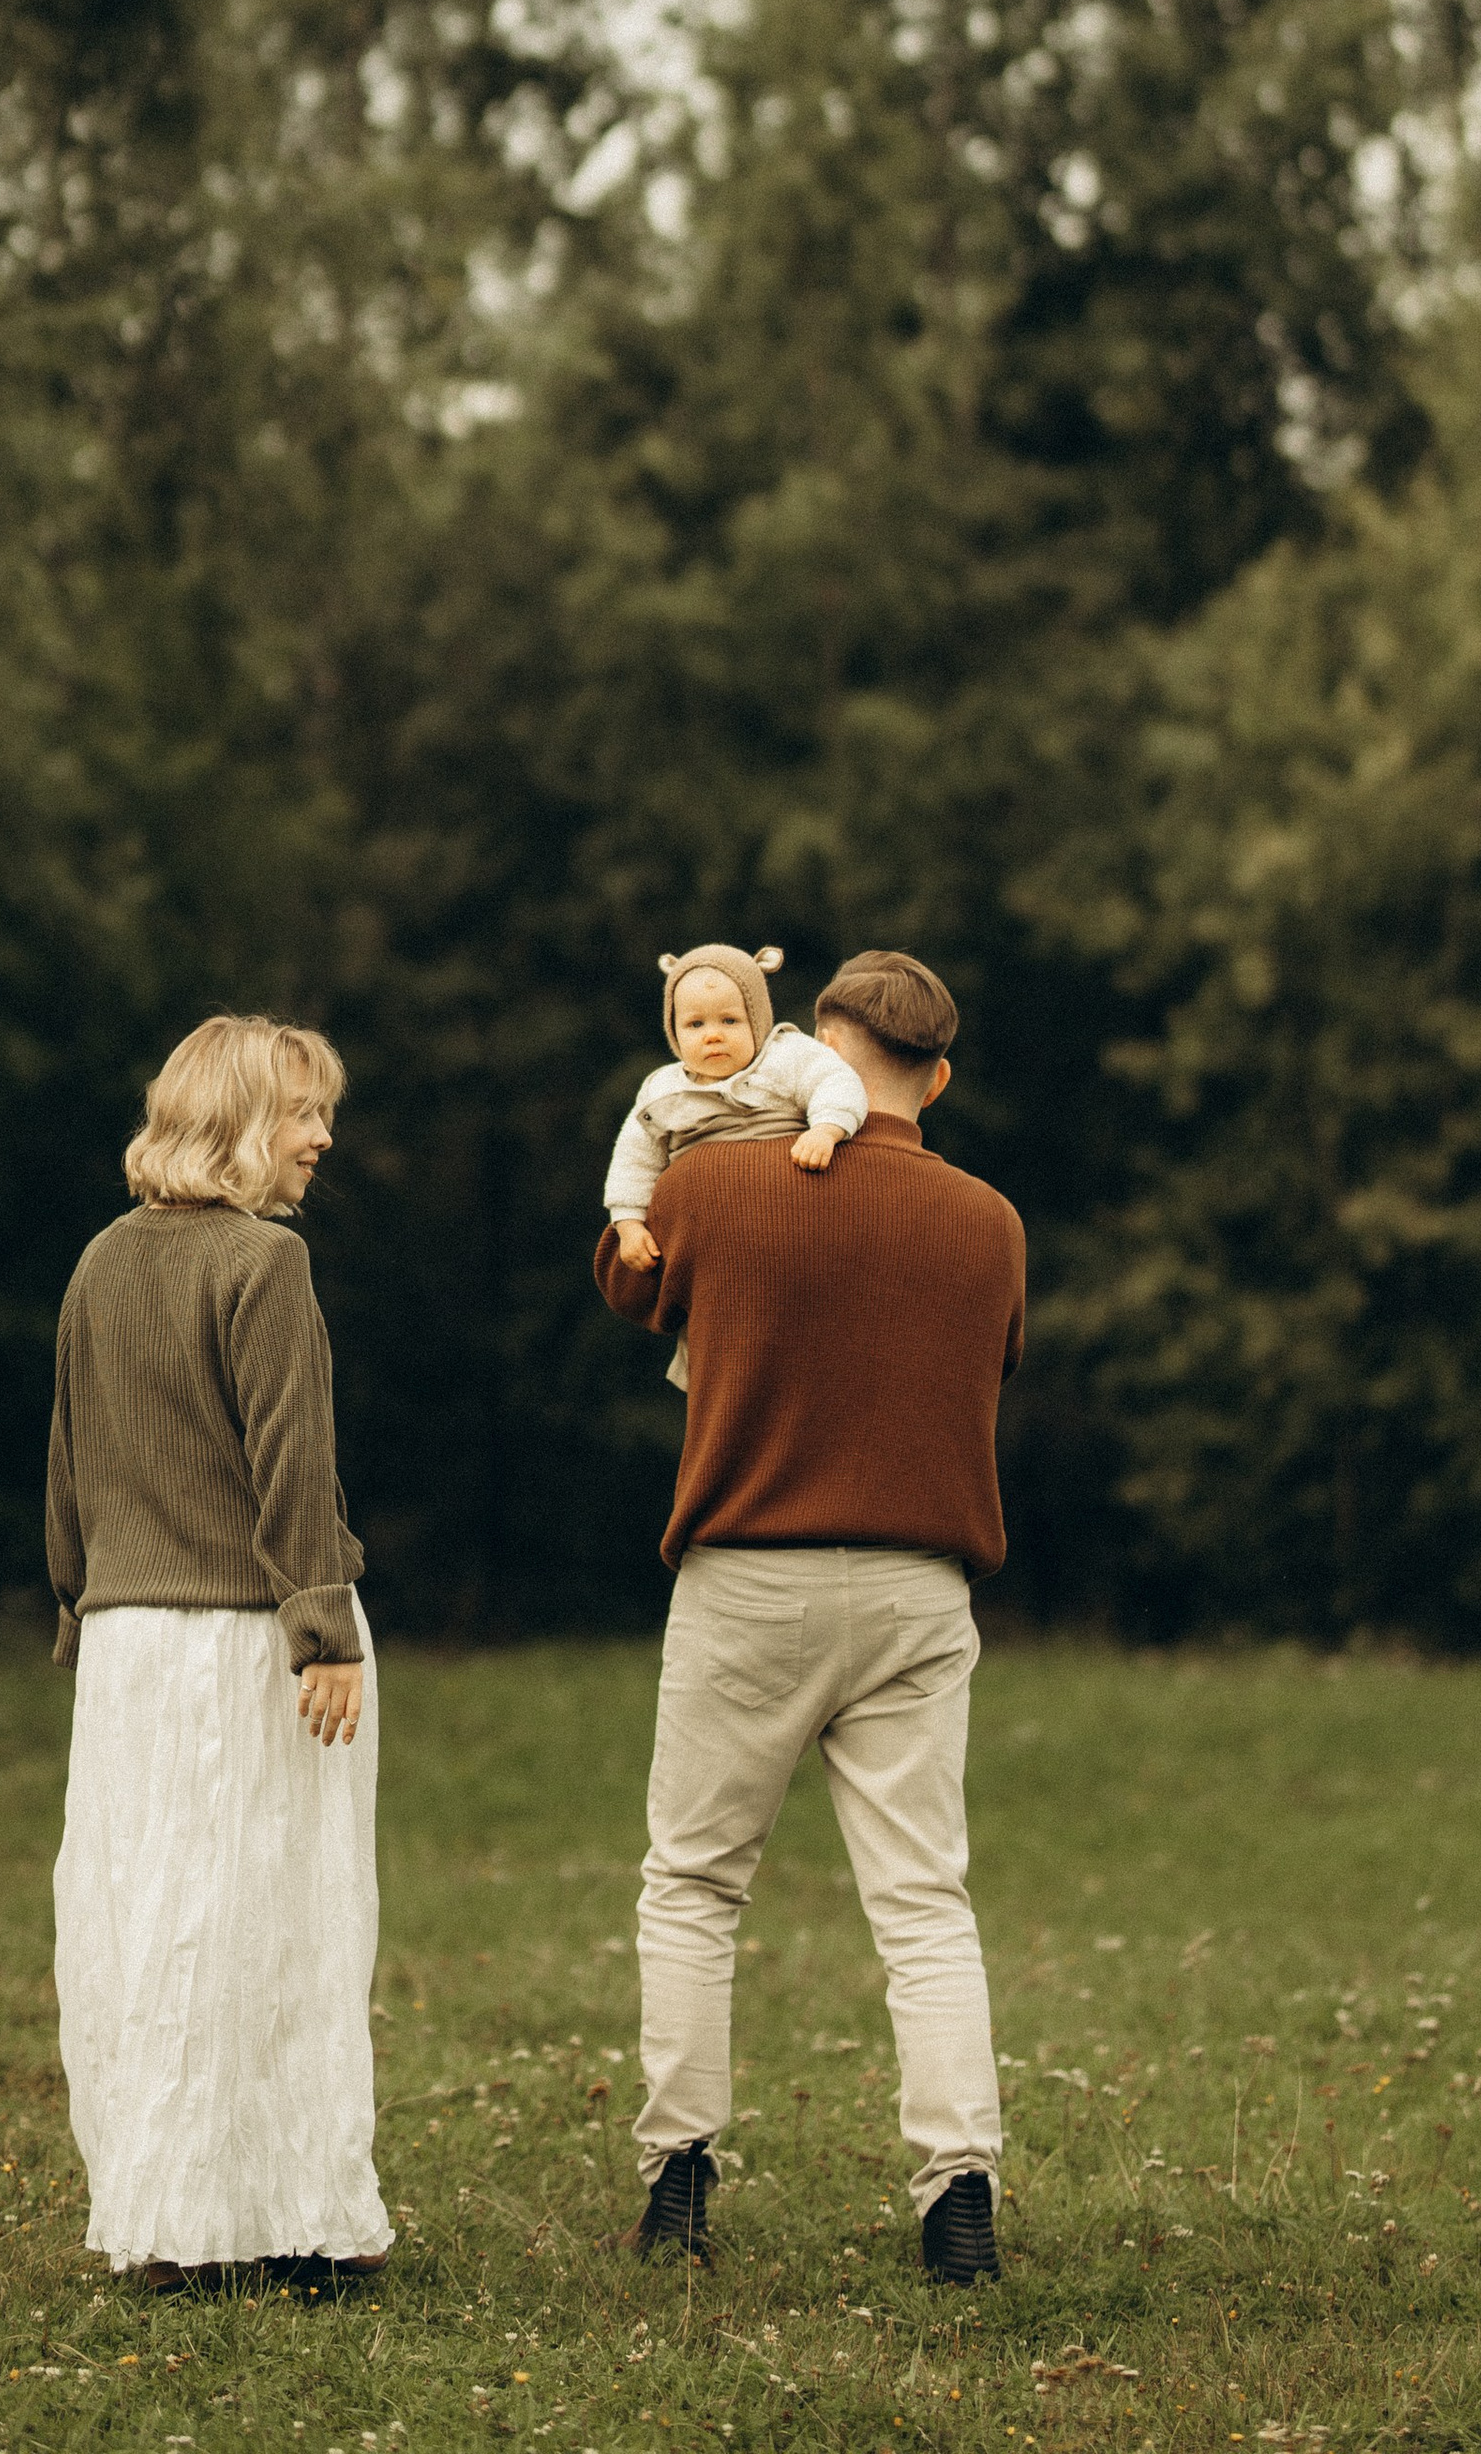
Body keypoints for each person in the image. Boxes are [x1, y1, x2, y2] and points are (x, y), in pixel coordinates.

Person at [593, 947, 1026, 2288]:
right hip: (917, 1586)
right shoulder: (990, 1221)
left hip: (749, 1575)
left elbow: (627, 1283)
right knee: (923, 1904)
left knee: (696, 1883)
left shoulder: (717, 1184)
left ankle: (680, 2185)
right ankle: (957, 2199)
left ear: (811, 1048)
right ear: (938, 1077)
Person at [47, 1013, 391, 2297]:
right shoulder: (264, 1265)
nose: (322, 1138)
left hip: (131, 1648)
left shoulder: (97, 1262)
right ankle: (292, 2220)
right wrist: (325, 1627)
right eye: (303, 1113)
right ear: (240, 1121)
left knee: (143, 1926)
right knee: (280, 1924)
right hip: (251, 1642)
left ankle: (170, 2220)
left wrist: (79, 1604)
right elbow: (291, 1461)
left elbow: (67, 1464)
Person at [603, 942, 871, 1389]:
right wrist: (628, 1222)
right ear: (673, 1031)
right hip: (710, 1248)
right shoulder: (661, 1092)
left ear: (758, 1020)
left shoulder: (787, 1056)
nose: (713, 1034)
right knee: (713, 1327)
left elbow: (836, 1081)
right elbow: (634, 1158)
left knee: (800, 1312)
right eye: (695, 1024)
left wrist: (826, 1129)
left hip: (789, 1220)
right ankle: (711, 1381)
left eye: (730, 1020)